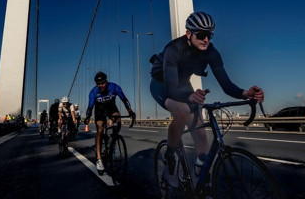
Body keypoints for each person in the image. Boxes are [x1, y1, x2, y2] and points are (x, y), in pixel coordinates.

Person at [149, 11, 264, 187]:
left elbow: (226, 85)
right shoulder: (173, 49)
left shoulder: (211, 51)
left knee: (201, 134)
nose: (206, 39)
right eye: (201, 35)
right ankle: (170, 158)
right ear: (189, 34)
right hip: (162, 84)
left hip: (183, 84)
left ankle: (202, 186)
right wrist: (189, 96)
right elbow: (172, 88)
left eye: (209, 35)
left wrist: (245, 93)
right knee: (183, 110)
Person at [83, 71, 135, 175]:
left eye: (103, 83)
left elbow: (124, 99)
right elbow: (90, 107)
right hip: (99, 109)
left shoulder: (114, 87)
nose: (101, 86)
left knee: (118, 121)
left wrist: (130, 111)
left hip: (111, 106)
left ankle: (113, 140)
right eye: (98, 84)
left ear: (106, 81)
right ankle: (98, 159)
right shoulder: (93, 92)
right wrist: (88, 116)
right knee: (100, 129)